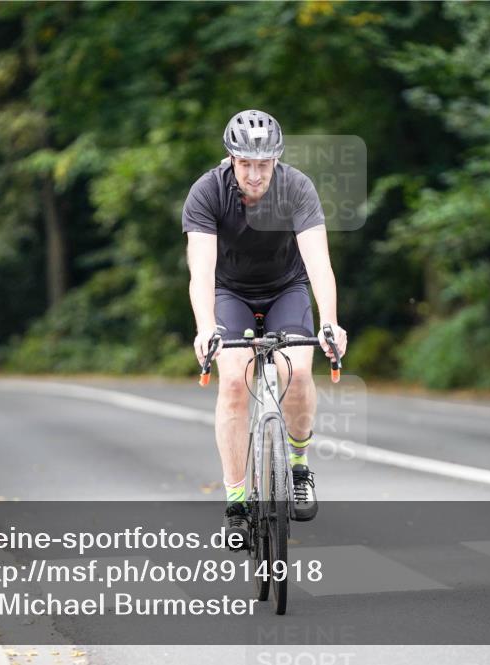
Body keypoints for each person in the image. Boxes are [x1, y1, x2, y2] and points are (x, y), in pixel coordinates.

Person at [182, 109, 347, 548]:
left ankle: (297, 466)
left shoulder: (297, 188)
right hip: (229, 293)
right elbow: (200, 273)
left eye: (264, 165)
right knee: (234, 380)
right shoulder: (207, 193)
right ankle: (236, 501)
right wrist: (205, 329)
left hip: (285, 289)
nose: (255, 175)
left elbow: (318, 264)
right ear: (230, 159)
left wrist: (329, 321)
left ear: (277, 160)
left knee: (295, 371)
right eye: (245, 164)